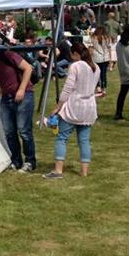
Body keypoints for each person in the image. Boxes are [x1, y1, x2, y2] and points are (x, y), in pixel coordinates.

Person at [44, 41, 100, 179]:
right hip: (89, 108)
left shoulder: (75, 66)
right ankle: (84, 171)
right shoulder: (96, 67)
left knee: (61, 138)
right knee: (84, 140)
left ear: (75, 54)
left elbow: (68, 88)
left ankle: (58, 170)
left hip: (74, 107)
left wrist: (58, 106)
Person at [0, 47, 37, 172]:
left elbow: (28, 68)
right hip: (6, 98)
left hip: (23, 95)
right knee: (9, 132)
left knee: (24, 130)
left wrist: (22, 89)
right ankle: (16, 160)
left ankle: (30, 161)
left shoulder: (8, 55)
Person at [90, 26, 111, 92]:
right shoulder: (107, 38)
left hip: (96, 58)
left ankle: (98, 87)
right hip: (105, 58)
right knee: (103, 74)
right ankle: (104, 88)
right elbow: (109, 48)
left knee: (96, 73)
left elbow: (91, 49)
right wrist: (110, 59)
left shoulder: (93, 38)